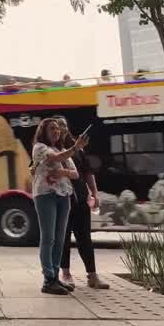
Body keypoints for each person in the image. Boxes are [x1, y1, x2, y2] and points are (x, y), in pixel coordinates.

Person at [31, 116, 86, 295]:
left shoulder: (61, 148)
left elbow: (76, 174)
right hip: (46, 195)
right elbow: (55, 158)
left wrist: (61, 171)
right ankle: (48, 279)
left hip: (64, 195)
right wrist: (75, 148)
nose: (57, 131)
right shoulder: (39, 147)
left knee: (60, 239)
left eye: (58, 129)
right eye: (52, 129)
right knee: (48, 238)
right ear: (44, 132)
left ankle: (55, 276)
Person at [56, 119, 109, 290]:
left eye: (64, 125)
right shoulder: (50, 150)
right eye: (58, 126)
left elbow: (87, 173)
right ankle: (65, 274)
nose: (62, 129)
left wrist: (94, 193)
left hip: (80, 199)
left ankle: (92, 276)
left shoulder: (79, 150)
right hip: (61, 200)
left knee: (85, 238)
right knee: (63, 239)